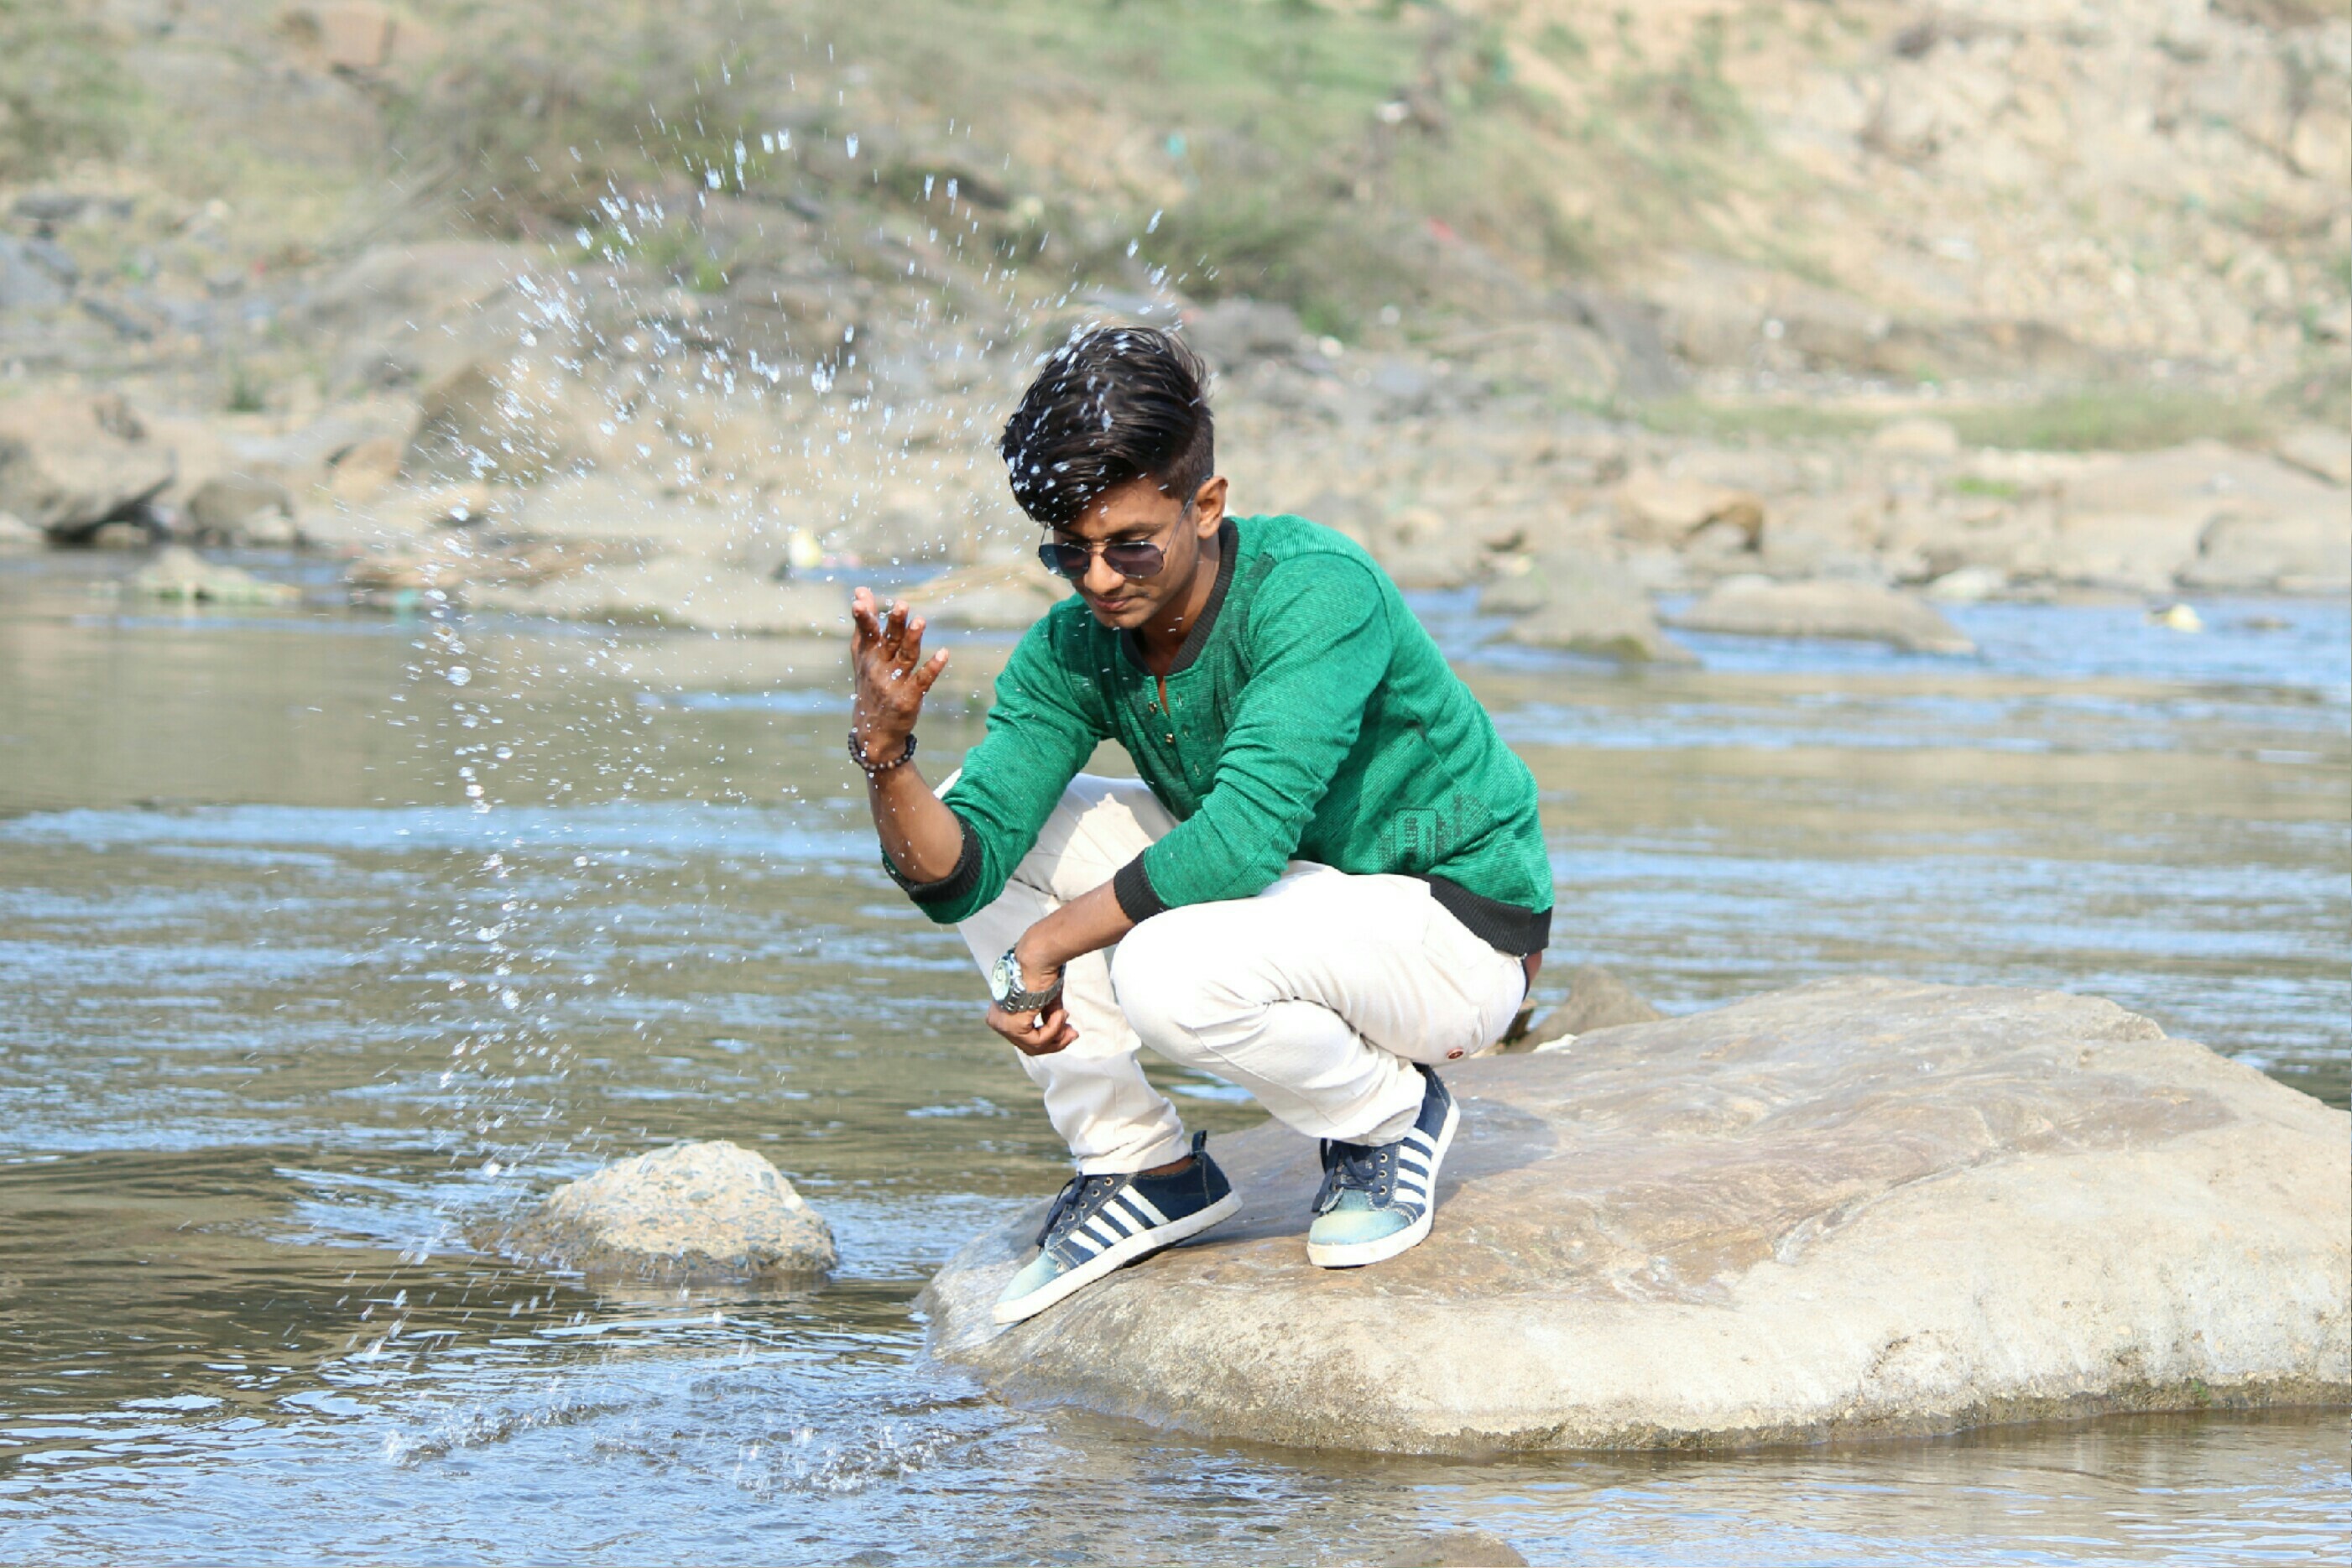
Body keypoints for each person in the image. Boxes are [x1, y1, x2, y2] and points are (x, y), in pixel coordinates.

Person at [846, 326, 1551, 1326]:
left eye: (1130, 544)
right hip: (1288, 906)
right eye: (1069, 551)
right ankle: (1138, 1163)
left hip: (1452, 933)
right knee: (988, 822)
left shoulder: (1315, 588)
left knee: (1164, 969)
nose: (1098, 579)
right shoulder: (1075, 646)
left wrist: (1041, 951)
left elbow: (1239, 841)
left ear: (1206, 505)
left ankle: (1389, 1116)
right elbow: (956, 877)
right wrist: (885, 751)